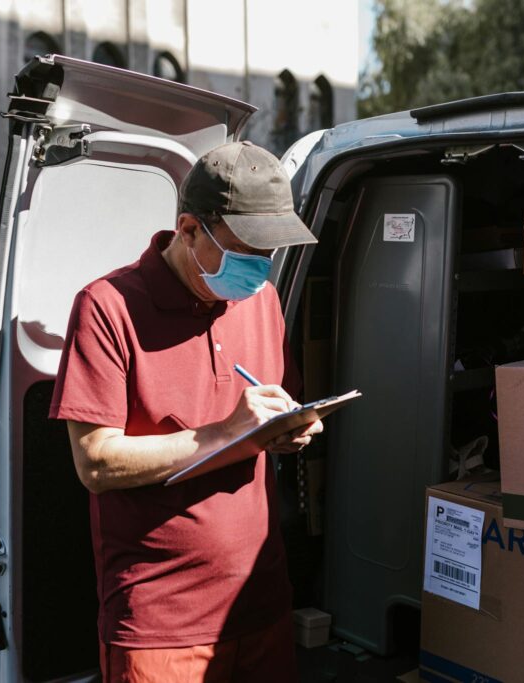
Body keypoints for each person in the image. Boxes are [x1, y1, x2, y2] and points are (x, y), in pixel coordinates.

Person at [49, 140, 322, 682]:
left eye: (268, 256)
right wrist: (227, 431)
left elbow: (266, 413)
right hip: (162, 624)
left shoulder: (261, 301)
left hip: (260, 597)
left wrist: (288, 428)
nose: (259, 271)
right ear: (189, 229)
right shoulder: (107, 307)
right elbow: (96, 464)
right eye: (245, 252)